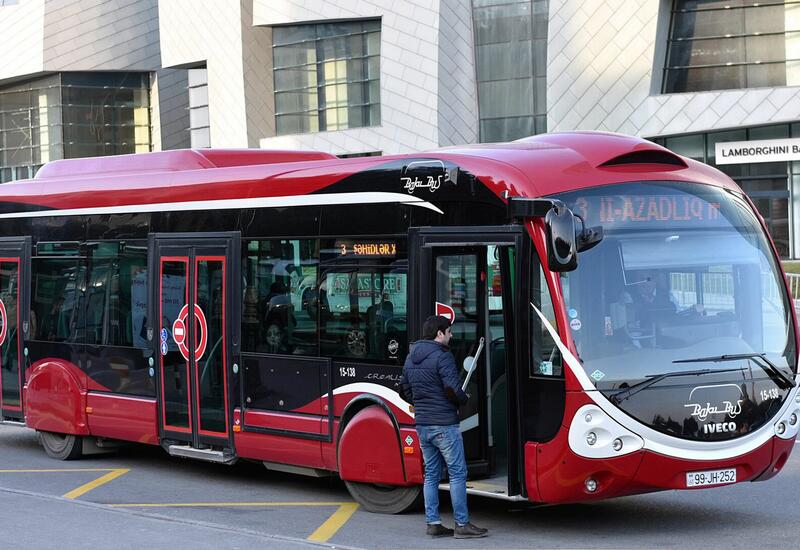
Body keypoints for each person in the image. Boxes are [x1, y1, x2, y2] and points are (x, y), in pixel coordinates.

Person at [399, 315, 488, 539]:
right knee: (458, 473)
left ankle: (434, 523)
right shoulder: (442, 356)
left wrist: (421, 403)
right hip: (444, 423)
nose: (450, 336)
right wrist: (463, 399)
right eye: (448, 332)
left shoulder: (411, 357)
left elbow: (404, 389)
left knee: (431, 474)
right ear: (439, 333)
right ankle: (462, 524)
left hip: (423, 423)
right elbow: (452, 389)